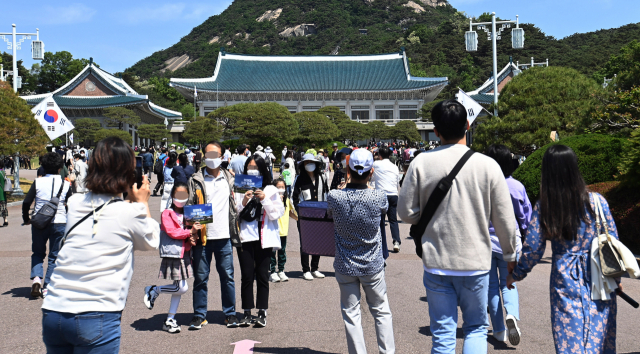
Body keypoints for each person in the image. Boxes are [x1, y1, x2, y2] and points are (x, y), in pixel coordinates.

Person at [398, 100, 518, 354]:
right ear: (467, 125)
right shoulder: (487, 165)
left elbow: (406, 213)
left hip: (437, 261)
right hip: (475, 262)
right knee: (475, 327)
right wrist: (509, 256)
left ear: (436, 131)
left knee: (442, 333)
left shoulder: (421, 162)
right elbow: (505, 218)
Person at [41, 137, 159, 352]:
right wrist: (141, 203)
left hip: (54, 309)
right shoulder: (130, 212)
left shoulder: (75, 202)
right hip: (97, 312)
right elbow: (151, 241)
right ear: (128, 171)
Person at [507, 145, 621, 353]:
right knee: (599, 335)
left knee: (569, 336)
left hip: (565, 277)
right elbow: (612, 241)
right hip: (600, 276)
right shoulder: (597, 202)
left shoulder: (546, 205)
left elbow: (533, 247)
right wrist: (616, 278)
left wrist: (516, 274)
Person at [327, 148, 395, 354]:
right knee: (381, 311)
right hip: (372, 264)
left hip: (345, 264)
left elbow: (330, 213)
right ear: (371, 172)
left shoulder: (334, 196)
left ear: (348, 170)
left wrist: (344, 186)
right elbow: (383, 209)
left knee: (351, 314)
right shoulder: (378, 196)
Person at [187, 142, 240, 330]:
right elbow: (190, 206)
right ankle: (199, 314)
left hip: (224, 236)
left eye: (214, 154)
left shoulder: (229, 178)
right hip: (204, 237)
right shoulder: (196, 179)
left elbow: (239, 202)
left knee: (227, 276)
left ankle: (230, 313)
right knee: (201, 277)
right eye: (207, 154)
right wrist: (191, 228)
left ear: (222, 156)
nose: (211, 158)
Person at [484, 144, 531, 345]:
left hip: (485, 241)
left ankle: (498, 329)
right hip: (510, 241)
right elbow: (525, 217)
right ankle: (511, 314)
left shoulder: (482, 185)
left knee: (491, 287)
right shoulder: (516, 186)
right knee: (508, 283)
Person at [143, 182, 202, 333]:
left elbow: (187, 234)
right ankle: (154, 290)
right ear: (172, 196)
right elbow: (172, 232)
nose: (181, 199)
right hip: (173, 253)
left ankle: (170, 318)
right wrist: (190, 233)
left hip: (184, 253)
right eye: (178, 196)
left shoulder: (189, 214)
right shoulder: (167, 213)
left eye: (184, 196)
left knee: (179, 288)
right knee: (181, 287)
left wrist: (192, 237)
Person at [236, 155, 284, 327]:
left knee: (263, 276)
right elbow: (235, 212)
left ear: (263, 169)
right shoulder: (240, 187)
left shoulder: (271, 189)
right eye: (249, 166)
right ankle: (247, 311)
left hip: (264, 238)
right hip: (246, 237)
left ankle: (262, 311)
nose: (252, 169)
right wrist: (243, 200)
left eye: (255, 167)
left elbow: (277, 214)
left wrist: (264, 199)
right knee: (247, 276)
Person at [22, 152, 72, 298]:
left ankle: (37, 278)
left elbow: (26, 202)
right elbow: (70, 204)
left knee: (37, 252)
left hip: (39, 221)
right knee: (54, 256)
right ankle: (47, 286)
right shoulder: (66, 184)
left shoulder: (38, 182)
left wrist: (26, 218)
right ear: (60, 168)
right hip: (59, 221)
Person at [292, 153, 329, 281]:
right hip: (304, 216)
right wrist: (299, 212)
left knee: (318, 241)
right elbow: (294, 198)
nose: (309, 165)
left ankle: (315, 268)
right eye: (307, 163)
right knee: (305, 242)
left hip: (320, 214)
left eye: (311, 162)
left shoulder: (322, 177)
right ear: (303, 165)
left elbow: (326, 193)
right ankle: (306, 269)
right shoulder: (299, 178)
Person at [370, 146, 401, 252]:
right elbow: (397, 182)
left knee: (380, 220)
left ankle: (381, 244)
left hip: (381, 194)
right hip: (393, 194)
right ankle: (396, 242)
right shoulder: (395, 167)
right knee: (393, 220)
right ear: (390, 155)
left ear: (380, 155)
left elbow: (372, 178)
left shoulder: (376, 164)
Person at [270, 178, 298, 283]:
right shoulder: (271, 200)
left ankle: (281, 270)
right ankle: (272, 271)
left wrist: (298, 219)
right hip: (273, 230)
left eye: (283, 187)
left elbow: (290, 212)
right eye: (278, 187)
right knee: (272, 253)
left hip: (283, 231)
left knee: (282, 252)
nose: (281, 189)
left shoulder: (287, 200)